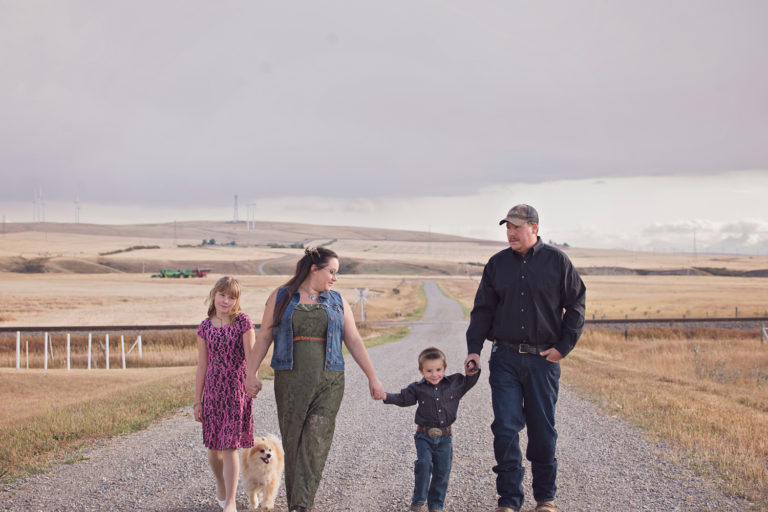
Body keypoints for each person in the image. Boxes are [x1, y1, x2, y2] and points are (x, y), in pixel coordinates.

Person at [464, 204, 586, 512]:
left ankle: (545, 498)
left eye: (516, 227)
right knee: (505, 427)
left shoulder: (558, 262)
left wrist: (563, 348)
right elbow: (483, 310)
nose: (510, 232)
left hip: (542, 361)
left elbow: (577, 305)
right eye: (507, 227)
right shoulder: (497, 264)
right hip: (504, 357)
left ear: (534, 227)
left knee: (542, 430)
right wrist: (474, 349)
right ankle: (509, 501)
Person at [245, 247, 385, 512]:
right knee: (293, 442)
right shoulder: (281, 297)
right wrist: (250, 374)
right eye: (331, 271)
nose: (335, 278)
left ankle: (302, 504)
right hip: (290, 380)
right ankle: (298, 501)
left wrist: (373, 378)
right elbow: (264, 336)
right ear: (313, 268)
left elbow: (353, 339)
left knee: (316, 438)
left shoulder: (337, 301)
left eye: (337, 273)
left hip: (330, 380)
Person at [378, 347, 480, 512]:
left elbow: (470, 381)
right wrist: (385, 396)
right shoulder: (418, 388)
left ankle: (436, 505)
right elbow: (403, 399)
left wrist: (473, 369)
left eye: (438, 370)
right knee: (424, 464)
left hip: (445, 438)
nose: (434, 375)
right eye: (429, 371)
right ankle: (418, 501)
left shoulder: (454, 384)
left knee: (442, 471)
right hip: (424, 436)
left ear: (444, 369)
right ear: (421, 371)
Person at [194, 276, 257, 512]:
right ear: (214, 294)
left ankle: (230, 502)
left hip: (236, 390)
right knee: (213, 448)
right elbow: (202, 367)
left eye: (232, 297)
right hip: (212, 392)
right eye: (223, 295)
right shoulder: (204, 328)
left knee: (230, 445)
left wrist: (253, 380)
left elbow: (251, 358)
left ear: (237, 301)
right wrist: (197, 401)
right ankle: (220, 484)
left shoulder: (243, 322)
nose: (226, 300)